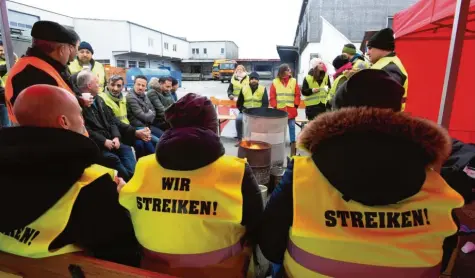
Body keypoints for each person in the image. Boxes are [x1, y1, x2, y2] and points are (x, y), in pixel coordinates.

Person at [259, 70, 464, 277]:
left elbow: (270, 243)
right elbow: (445, 251)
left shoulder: (303, 173)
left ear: (337, 112)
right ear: (398, 113)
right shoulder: (435, 183)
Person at [119, 93, 264, 277]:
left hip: (154, 269)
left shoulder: (144, 166)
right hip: (222, 270)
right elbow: (256, 222)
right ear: (212, 126)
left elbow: (129, 213)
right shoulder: (235, 170)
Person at [0, 84, 139, 266]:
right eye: (80, 115)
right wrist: (125, 205)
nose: (83, 121)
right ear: (64, 122)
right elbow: (124, 255)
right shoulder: (91, 183)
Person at [4, 20, 86, 125]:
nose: (70, 52)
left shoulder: (40, 66)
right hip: (48, 139)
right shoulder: (34, 74)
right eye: (69, 49)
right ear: (61, 50)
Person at [78, 70, 137, 181]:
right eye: (97, 82)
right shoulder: (79, 105)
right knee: (114, 160)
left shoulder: (99, 99)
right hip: (97, 146)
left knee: (127, 150)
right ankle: (128, 185)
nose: (100, 84)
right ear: (89, 85)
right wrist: (104, 141)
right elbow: (85, 130)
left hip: (112, 140)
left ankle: (131, 181)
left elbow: (111, 120)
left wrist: (116, 137)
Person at [100, 75, 155, 159]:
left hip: (127, 129)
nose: (115, 88)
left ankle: (147, 165)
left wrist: (143, 129)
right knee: (144, 143)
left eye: (119, 86)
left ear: (123, 87)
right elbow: (114, 122)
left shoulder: (122, 98)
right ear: (107, 84)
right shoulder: (102, 99)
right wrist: (137, 131)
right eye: (112, 85)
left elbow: (152, 111)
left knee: (147, 143)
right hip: (116, 133)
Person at [368, 28, 408, 111]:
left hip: (381, 120)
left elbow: (385, 102)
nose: (368, 52)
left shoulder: (389, 68)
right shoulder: (386, 64)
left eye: (370, 48)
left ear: (381, 47)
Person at [270, 64, 301, 156]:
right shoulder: (275, 82)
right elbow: (272, 96)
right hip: (280, 110)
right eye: (288, 70)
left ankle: (293, 145)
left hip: (291, 109)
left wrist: (296, 104)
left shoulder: (293, 81)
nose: (290, 71)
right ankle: (278, 144)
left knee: (292, 127)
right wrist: (275, 106)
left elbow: (297, 94)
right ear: (283, 71)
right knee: (279, 129)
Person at [126, 75, 162, 142]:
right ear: (134, 84)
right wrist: (149, 113)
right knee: (159, 142)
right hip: (138, 127)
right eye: (138, 84)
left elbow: (153, 111)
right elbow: (142, 116)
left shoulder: (143, 95)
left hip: (147, 126)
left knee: (163, 136)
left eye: (143, 85)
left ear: (146, 87)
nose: (140, 87)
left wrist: (149, 115)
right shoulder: (130, 97)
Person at [236, 71, 269, 142]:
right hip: (245, 111)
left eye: (255, 79)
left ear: (258, 80)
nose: (254, 80)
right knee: (239, 119)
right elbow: (239, 103)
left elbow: (265, 103)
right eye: (252, 78)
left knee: (263, 121)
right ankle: (239, 139)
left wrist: (259, 113)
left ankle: (259, 140)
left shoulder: (262, 89)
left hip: (258, 112)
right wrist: (244, 111)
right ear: (249, 80)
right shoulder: (244, 88)